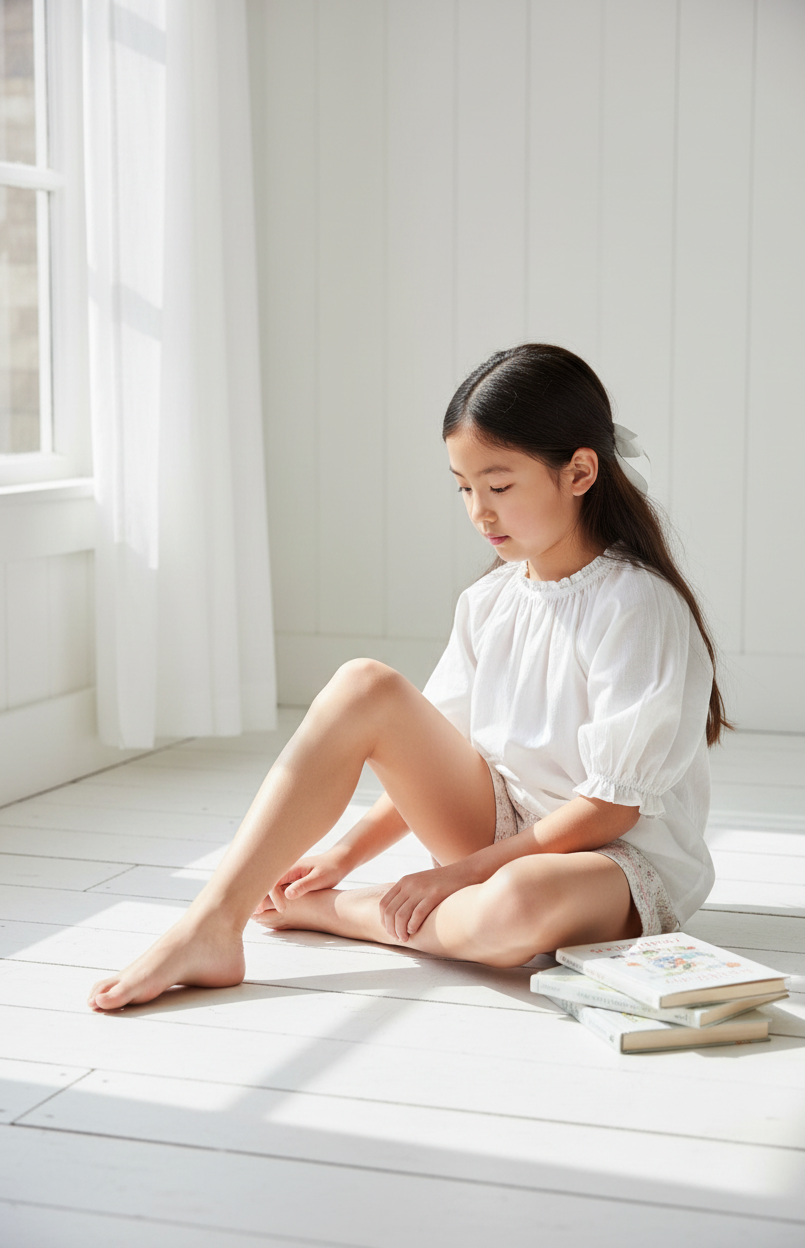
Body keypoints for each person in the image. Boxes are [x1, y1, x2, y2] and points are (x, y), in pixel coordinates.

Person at [88, 343, 730, 1012]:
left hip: (610, 859)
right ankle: (212, 922)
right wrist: (343, 852)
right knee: (362, 685)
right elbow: (438, 748)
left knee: (515, 905)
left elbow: (613, 808)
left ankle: (342, 913)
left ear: (579, 472)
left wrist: (458, 875)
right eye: (464, 488)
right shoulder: (489, 601)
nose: (479, 512)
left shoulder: (638, 605)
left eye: (499, 487)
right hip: (501, 830)